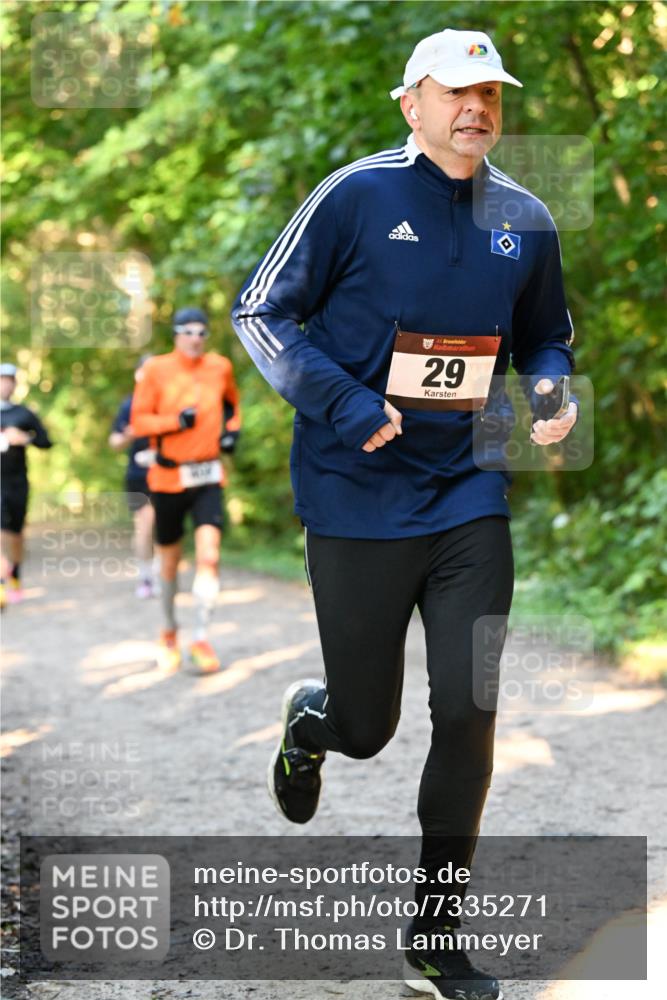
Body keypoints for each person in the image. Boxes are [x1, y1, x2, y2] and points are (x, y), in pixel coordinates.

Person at [232, 27, 577, 1000]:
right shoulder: (355, 197)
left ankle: (434, 938)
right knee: (369, 723)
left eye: (490, 94)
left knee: (468, 710)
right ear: (410, 103)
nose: (476, 108)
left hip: (468, 490)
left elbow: (547, 337)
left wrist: (552, 390)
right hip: (353, 493)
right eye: (455, 90)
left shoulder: (525, 217)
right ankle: (315, 722)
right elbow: (261, 311)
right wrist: (343, 401)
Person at [131, 307, 241, 673]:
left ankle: (201, 637)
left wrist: (232, 432)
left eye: (202, 332)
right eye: (188, 331)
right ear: (176, 335)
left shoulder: (220, 366)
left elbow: (232, 406)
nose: (195, 338)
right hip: (168, 478)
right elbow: (138, 421)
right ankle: (168, 631)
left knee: (209, 556)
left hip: (208, 476)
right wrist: (175, 422)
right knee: (171, 560)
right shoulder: (156, 370)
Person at [0, 362, 53, 608]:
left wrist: (25, 439)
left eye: (9, 379)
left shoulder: (23, 414)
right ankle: (1, 583)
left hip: (17, 481)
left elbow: (45, 441)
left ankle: (15, 576)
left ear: (15, 384)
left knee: (15, 534)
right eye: (1, 379)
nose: (5, 384)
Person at [109, 355, 158, 599]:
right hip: (138, 475)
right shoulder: (129, 406)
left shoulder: (168, 402)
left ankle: (160, 573)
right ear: (137, 374)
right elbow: (114, 441)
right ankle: (147, 576)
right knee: (145, 524)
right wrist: (130, 434)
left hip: (168, 471)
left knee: (166, 525)